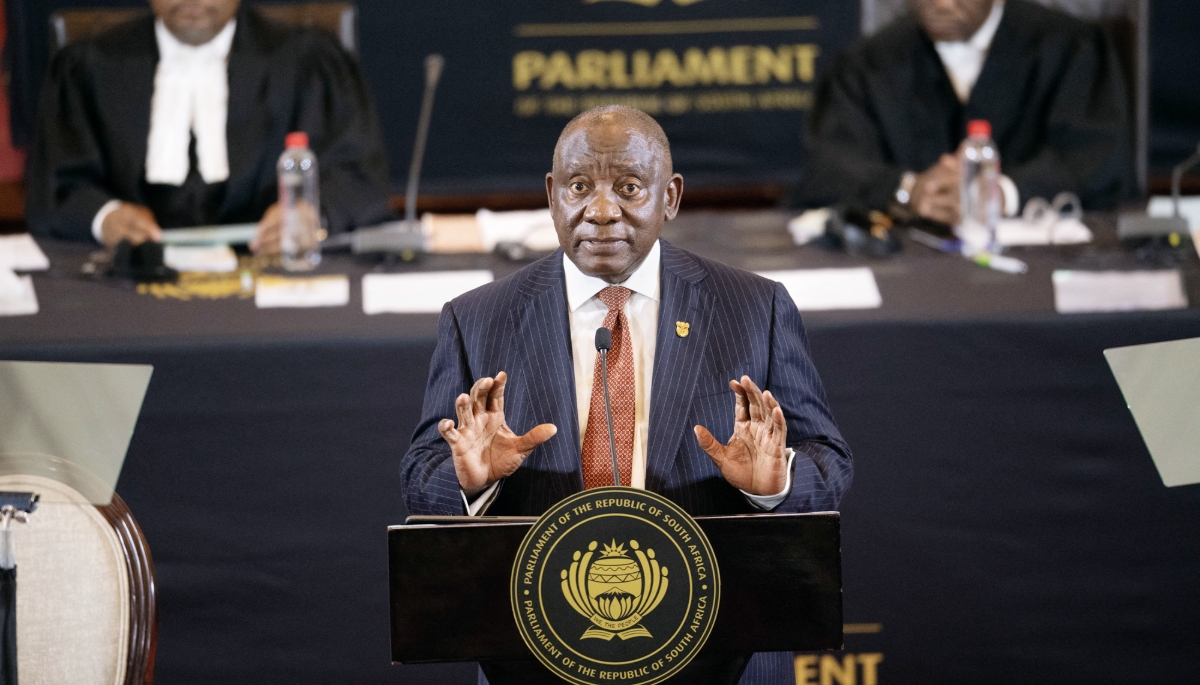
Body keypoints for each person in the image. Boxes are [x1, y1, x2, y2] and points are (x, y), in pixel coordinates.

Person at [401, 105, 853, 684]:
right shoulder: (477, 319)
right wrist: (472, 479)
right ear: (552, 194)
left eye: (630, 187)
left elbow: (829, 460)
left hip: (721, 652)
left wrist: (774, 485)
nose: (602, 210)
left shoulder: (754, 307)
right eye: (580, 186)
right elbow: (420, 475)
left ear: (670, 197)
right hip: (540, 656)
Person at [25, 0, 392, 253]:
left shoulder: (309, 62)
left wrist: (310, 214)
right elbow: (56, 187)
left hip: (271, 275)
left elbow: (359, 179)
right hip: (128, 281)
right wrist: (104, 217)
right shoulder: (88, 66)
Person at [799, 0, 1137, 224]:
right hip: (912, 277)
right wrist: (909, 189)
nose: (941, 3)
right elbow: (828, 166)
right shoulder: (866, 65)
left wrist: (998, 194)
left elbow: (1097, 160)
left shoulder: (1071, 48)